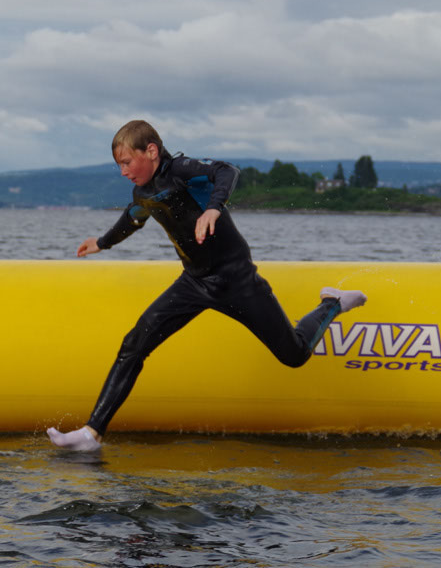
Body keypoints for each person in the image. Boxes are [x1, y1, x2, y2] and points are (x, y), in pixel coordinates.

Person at [47, 120, 367, 451]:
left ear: (151, 151)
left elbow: (226, 171)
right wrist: (102, 242)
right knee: (133, 344)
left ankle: (332, 303)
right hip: (194, 283)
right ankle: (92, 434)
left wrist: (213, 209)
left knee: (295, 355)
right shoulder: (143, 192)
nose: (123, 172)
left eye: (127, 162)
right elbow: (134, 217)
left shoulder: (182, 171)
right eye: (119, 166)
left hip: (236, 279)